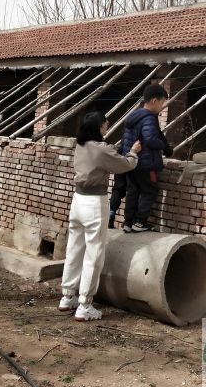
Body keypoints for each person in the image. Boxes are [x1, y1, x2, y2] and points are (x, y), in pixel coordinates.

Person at [59, 111, 142, 321]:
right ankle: (85, 304)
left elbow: (103, 155)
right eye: (105, 124)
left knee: (75, 249)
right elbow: (125, 165)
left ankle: (67, 296)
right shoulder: (101, 149)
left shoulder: (81, 145)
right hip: (94, 203)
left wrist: (114, 149)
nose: (107, 126)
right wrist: (133, 152)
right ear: (98, 127)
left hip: (77, 201)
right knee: (94, 254)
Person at [120, 84, 173, 233]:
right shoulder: (149, 117)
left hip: (132, 161)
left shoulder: (133, 116)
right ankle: (140, 222)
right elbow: (150, 139)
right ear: (155, 100)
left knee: (133, 191)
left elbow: (125, 140)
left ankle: (128, 222)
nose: (162, 107)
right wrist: (163, 145)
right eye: (162, 103)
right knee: (150, 191)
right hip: (146, 163)